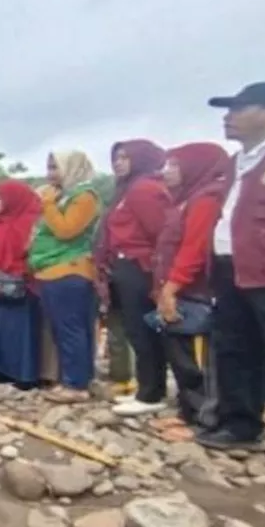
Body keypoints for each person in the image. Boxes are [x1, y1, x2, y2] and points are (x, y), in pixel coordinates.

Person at [139, 142, 232, 439]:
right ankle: (188, 412)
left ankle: (204, 419)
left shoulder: (205, 200)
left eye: (175, 165)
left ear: (195, 167)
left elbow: (193, 249)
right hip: (179, 289)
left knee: (197, 359)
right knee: (180, 355)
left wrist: (172, 287)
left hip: (194, 291)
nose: (167, 172)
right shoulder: (184, 200)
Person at [198, 82, 265, 450]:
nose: (228, 118)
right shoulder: (234, 163)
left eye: (239, 109)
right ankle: (240, 425)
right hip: (230, 269)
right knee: (234, 346)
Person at [96, 140, 171, 415]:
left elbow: (160, 233)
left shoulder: (144, 189)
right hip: (124, 266)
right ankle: (148, 389)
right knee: (136, 331)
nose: (118, 163)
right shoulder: (126, 190)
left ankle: (151, 394)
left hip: (139, 267)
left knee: (143, 332)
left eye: (125, 157)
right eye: (116, 158)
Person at [32, 151, 102, 403]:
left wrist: (48, 204)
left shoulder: (84, 196)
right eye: (49, 167)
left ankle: (77, 384)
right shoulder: (63, 195)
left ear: (71, 167)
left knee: (72, 329)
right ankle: (72, 379)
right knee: (63, 329)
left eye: (55, 167)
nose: (50, 173)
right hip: (52, 269)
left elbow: (66, 230)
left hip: (70, 270)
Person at [0, 179, 42, 388]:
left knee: (20, 331)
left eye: (0, 197)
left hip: (21, 284)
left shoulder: (29, 222)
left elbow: (30, 251)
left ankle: (23, 374)